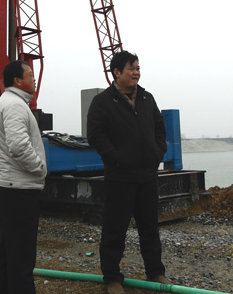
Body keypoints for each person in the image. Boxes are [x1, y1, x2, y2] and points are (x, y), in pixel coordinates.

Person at [87, 51, 169, 294]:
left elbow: (160, 129)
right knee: (114, 230)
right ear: (117, 72)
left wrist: (158, 153)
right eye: (131, 68)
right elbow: (96, 136)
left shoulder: (146, 98)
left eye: (138, 68)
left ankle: (155, 272)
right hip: (120, 178)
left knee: (150, 228)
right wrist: (118, 159)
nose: (136, 73)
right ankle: (112, 279)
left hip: (147, 177)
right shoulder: (102, 102)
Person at [0, 60, 47, 294]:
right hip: (20, 189)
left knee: (8, 251)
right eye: (30, 74)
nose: (34, 78)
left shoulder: (10, 102)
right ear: (18, 81)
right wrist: (40, 168)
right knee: (22, 255)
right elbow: (18, 146)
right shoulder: (14, 105)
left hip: (12, 186)